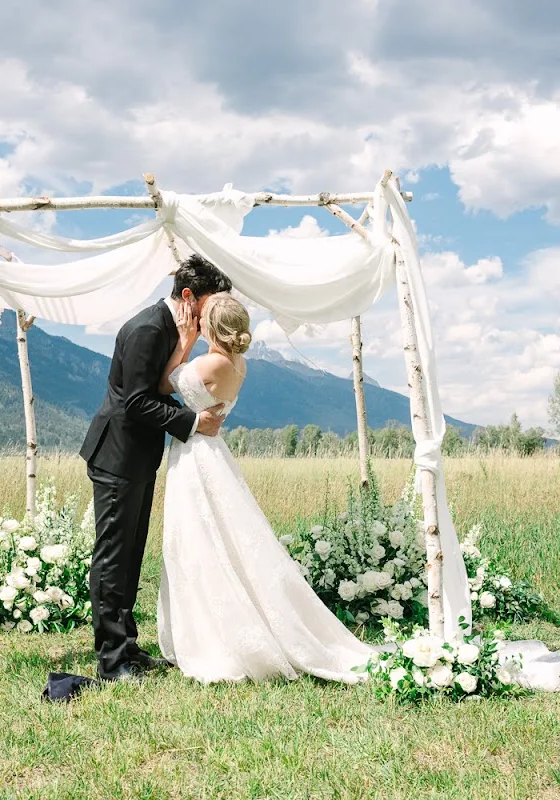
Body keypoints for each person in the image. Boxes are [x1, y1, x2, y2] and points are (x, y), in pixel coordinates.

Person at [156, 293, 376, 683]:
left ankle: (214, 638)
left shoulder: (210, 362)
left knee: (199, 542)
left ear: (210, 327)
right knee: (218, 539)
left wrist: (185, 340)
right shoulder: (238, 363)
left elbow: (164, 381)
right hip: (210, 451)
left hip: (196, 456)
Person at [79, 255, 231, 682]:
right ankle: (112, 661)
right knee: (113, 558)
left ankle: (128, 648)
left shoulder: (172, 329)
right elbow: (138, 401)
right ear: (188, 297)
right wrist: (192, 422)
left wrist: (184, 347)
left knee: (129, 555)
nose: (213, 315)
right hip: (117, 456)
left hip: (138, 457)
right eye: (210, 305)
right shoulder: (148, 329)